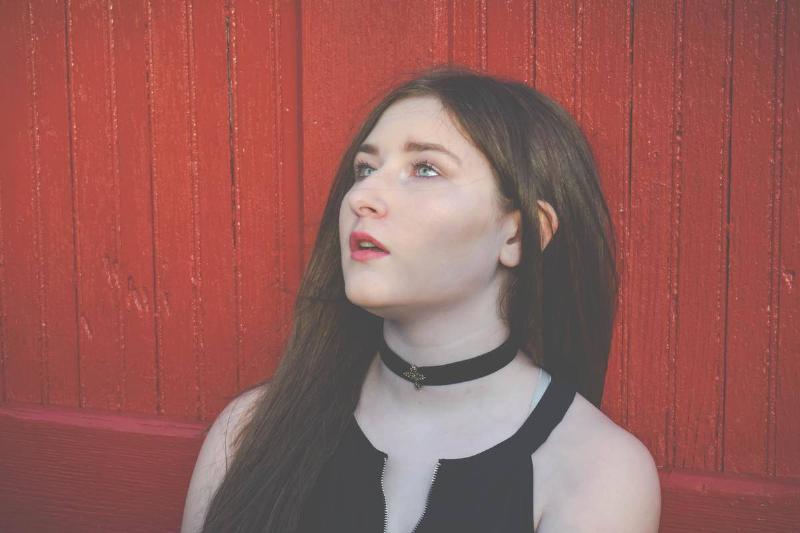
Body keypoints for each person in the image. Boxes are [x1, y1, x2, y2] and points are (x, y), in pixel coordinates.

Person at [181, 67, 661, 533]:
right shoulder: (247, 431)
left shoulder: (598, 472)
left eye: (425, 169)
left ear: (520, 234)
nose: (362, 195)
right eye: (365, 168)